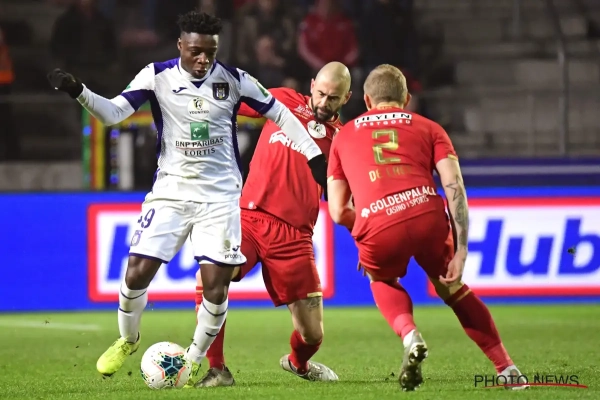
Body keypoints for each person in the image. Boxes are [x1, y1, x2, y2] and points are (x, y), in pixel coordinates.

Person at [47, 11, 328, 380]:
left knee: (215, 285)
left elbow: (283, 114)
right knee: (136, 273)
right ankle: (128, 339)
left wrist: (313, 154)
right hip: (171, 192)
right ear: (180, 45)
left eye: (210, 52)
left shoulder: (236, 80)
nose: (203, 60)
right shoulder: (156, 76)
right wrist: (78, 91)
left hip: (220, 199)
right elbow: (114, 113)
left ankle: (194, 360)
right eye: (196, 51)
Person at [326, 64, 527, 391]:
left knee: (381, 279)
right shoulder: (431, 128)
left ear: (366, 100)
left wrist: (365, 234)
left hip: (377, 222)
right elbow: (454, 186)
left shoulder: (343, 135)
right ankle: (507, 369)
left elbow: (338, 211)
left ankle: (410, 335)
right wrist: (462, 249)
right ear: (406, 99)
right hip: (426, 214)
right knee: (454, 290)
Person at [188, 62, 352, 388]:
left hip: (294, 237)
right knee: (209, 277)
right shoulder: (282, 100)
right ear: (311, 85)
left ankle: (298, 363)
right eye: (320, 93)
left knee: (312, 335)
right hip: (248, 218)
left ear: (346, 98)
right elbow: (230, 101)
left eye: (333, 98)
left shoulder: (343, 141)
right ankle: (218, 369)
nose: (323, 102)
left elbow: (346, 198)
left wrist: (364, 236)